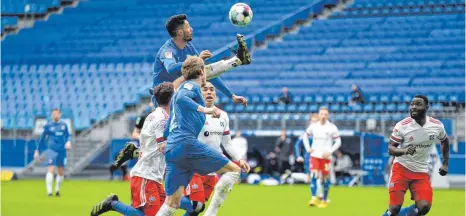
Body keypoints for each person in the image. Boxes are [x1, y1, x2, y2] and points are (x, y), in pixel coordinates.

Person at [156, 56, 250, 216]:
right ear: (201, 71)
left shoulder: (185, 91)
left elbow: (168, 126)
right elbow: (181, 98)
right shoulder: (191, 86)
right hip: (186, 144)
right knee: (234, 171)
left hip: (173, 150)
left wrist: (164, 141)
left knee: (172, 204)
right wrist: (204, 109)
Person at [153, 14, 250, 106]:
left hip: (181, 94)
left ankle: (238, 60)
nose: (191, 29)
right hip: (164, 99)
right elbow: (171, 68)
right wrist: (198, 59)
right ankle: (237, 60)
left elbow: (205, 72)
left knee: (201, 71)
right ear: (180, 32)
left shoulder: (188, 47)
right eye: (188, 26)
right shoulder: (168, 50)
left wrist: (231, 95)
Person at [183, 82, 247, 216]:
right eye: (205, 89)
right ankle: (167, 199)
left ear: (216, 95)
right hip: (193, 165)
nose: (209, 92)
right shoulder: (192, 113)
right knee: (195, 204)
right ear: (199, 93)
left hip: (212, 169)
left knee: (196, 210)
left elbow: (227, 143)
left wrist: (239, 159)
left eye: (212, 90)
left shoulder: (223, 115)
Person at [382, 95, 449, 216]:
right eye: (412, 104)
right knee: (394, 210)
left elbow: (444, 140)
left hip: (421, 171)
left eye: (418, 104)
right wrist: (404, 150)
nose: (413, 107)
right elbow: (390, 148)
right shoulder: (402, 125)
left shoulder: (437, 126)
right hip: (401, 169)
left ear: (426, 107)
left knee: (424, 207)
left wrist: (445, 163)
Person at [302, 107, 341, 208]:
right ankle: (313, 199)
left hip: (326, 157)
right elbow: (305, 136)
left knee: (325, 179)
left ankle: (324, 200)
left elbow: (338, 141)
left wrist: (330, 151)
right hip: (315, 156)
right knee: (314, 176)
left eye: (325, 114)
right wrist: (308, 148)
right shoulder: (313, 126)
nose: (323, 116)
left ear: (328, 116)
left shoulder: (332, 127)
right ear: (319, 115)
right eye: (321, 114)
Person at [109, 101, 154, 180]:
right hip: (147, 150)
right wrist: (144, 139)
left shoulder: (168, 115)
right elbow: (135, 133)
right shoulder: (144, 117)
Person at [34, 109, 71, 197]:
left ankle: (57, 190)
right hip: (52, 150)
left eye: (57, 114)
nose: (55, 115)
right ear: (51, 115)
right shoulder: (48, 126)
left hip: (62, 150)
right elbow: (42, 138)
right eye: (54, 114)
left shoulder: (64, 125)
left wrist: (68, 142)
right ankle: (49, 192)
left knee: (61, 171)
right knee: (51, 168)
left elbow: (68, 136)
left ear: (60, 114)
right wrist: (37, 150)